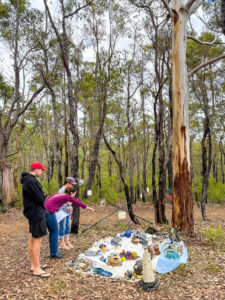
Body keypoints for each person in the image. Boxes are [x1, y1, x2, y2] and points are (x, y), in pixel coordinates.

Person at [45, 186, 94, 258]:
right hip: (49, 212)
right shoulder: (67, 197)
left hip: (45, 211)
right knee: (54, 232)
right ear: (71, 193)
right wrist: (89, 208)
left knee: (53, 232)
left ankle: (54, 252)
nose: (74, 195)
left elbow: (48, 199)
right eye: (74, 194)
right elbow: (78, 202)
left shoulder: (59, 194)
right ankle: (54, 253)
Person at [20, 162, 50, 278]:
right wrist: (44, 194)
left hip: (32, 212)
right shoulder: (31, 181)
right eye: (41, 170)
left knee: (32, 237)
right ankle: (37, 269)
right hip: (36, 213)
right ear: (36, 169)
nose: (41, 172)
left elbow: (38, 195)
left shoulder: (27, 180)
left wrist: (42, 194)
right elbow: (40, 197)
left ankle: (34, 265)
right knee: (37, 239)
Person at [58, 177, 76, 250]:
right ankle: (62, 243)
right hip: (62, 211)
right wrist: (69, 206)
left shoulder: (70, 189)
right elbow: (61, 202)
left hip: (68, 211)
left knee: (67, 226)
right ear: (68, 183)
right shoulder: (61, 190)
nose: (73, 185)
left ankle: (67, 241)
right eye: (72, 184)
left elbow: (69, 200)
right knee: (63, 226)